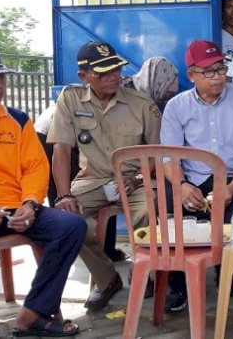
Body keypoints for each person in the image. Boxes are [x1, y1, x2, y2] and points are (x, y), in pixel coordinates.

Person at [0, 48, 86, 339]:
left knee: (72, 226)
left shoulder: (18, 120)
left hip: (15, 208)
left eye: (0, 76)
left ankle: (35, 313)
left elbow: (36, 168)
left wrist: (31, 203)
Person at [47, 40, 162, 311]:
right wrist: (64, 195)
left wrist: (140, 179)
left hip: (136, 180)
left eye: (116, 70)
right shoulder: (71, 98)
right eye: (103, 73)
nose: (113, 77)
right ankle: (106, 277)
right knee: (65, 219)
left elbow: (159, 153)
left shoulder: (141, 103)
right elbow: (61, 150)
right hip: (93, 180)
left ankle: (144, 272)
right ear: (83, 76)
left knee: (150, 209)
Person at [160, 39, 233, 312]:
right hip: (192, 177)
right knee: (168, 208)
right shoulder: (176, 107)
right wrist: (181, 186)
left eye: (221, 68)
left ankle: (228, 274)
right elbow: (169, 156)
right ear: (191, 75)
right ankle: (178, 284)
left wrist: (230, 189)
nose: (218, 76)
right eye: (209, 71)